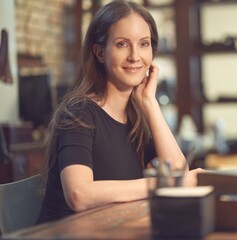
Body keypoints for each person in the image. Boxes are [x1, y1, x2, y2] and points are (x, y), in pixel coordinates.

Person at [37, 0, 204, 224]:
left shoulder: (136, 116)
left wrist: (149, 102)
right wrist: (162, 184)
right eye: (122, 44)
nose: (135, 56)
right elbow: (79, 195)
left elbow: (176, 170)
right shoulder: (79, 113)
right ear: (99, 53)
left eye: (144, 44)